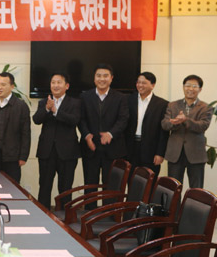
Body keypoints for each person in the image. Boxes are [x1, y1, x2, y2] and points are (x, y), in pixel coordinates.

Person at [79, 64, 128, 205]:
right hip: (91, 148)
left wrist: (111, 134)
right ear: (94, 79)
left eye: (105, 76)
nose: (102, 79)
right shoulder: (84, 96)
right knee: (90, 186)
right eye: (98, 76)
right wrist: (86, 135)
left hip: (113, 148)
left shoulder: (121, 97)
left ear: (111, 78)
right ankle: (89, 213)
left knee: (111, 186)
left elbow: (123, 119)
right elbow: (81, 119)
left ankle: (110, 215)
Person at [32, 73, 80, 209]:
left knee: (65, 188)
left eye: (59, 82)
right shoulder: (44, 102)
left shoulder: (75, 102)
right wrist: (47, 109)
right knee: (44, 186)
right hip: (46, 151)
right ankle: (43, 215)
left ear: (67, 86)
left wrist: (56, 111)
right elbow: (36, 120)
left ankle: (65, 217)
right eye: (53, 82)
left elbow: (74, 120)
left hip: (67, 152)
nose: (55, 85)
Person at [161, 74, 213, 188]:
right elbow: (165, 124)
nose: (190, 89)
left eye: (194, 86)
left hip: (196, 154)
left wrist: (185, 120)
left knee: (196, 189)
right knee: (173, 188)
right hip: (175, 153)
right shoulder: (172, 105)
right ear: (183, 87)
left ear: (200, 89)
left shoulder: (206, 107)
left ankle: (193, 202)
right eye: (188, 85)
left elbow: (203, 126)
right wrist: (174, 123)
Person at [0, 72, 30, 183]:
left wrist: (23, 156)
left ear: (12, 86)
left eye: (3, 85)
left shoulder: (20, 106)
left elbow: (25, 133)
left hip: (12, 156)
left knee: (12, 186)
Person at [125, 72, 169, 176]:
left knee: (149, 180)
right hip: (130, 148)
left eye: (144, 83)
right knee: (130, 179)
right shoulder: (127, 100)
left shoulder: (162, 104)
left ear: (152, 85)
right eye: (138, 82)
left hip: (151, 150)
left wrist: (160, 153)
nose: (140, 85)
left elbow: (163, 131)